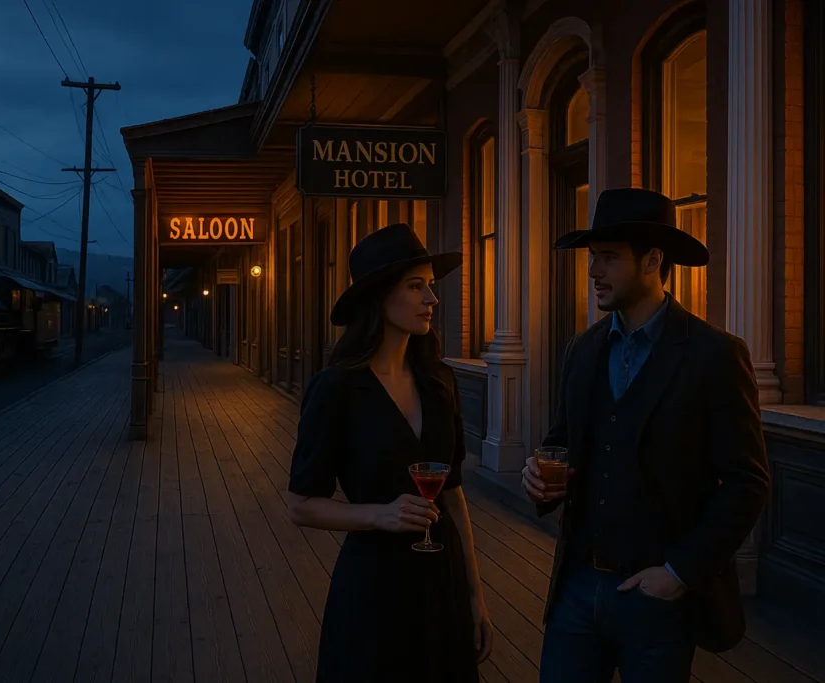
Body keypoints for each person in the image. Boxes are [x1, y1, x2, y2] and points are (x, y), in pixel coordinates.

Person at [521, 187, 771, 682]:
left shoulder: (713, 355)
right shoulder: (583, 349)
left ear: (654, 260)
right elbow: (562, 446)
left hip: (656, 600)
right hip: (576, 586)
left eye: (608, 259)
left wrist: (678, 574)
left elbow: (748, 482)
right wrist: (540, 477)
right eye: (593, 259)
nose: (593, 272)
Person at [286, 223, 492, 682]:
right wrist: (381, 515)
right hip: (375, 588)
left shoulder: (440, 383)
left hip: (443, 582)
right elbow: (300, 505)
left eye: (431, 288)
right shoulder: (336, 389)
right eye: (416, 287)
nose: (431, 300)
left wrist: (474, 595)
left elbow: (453, 496)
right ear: (380, 296)